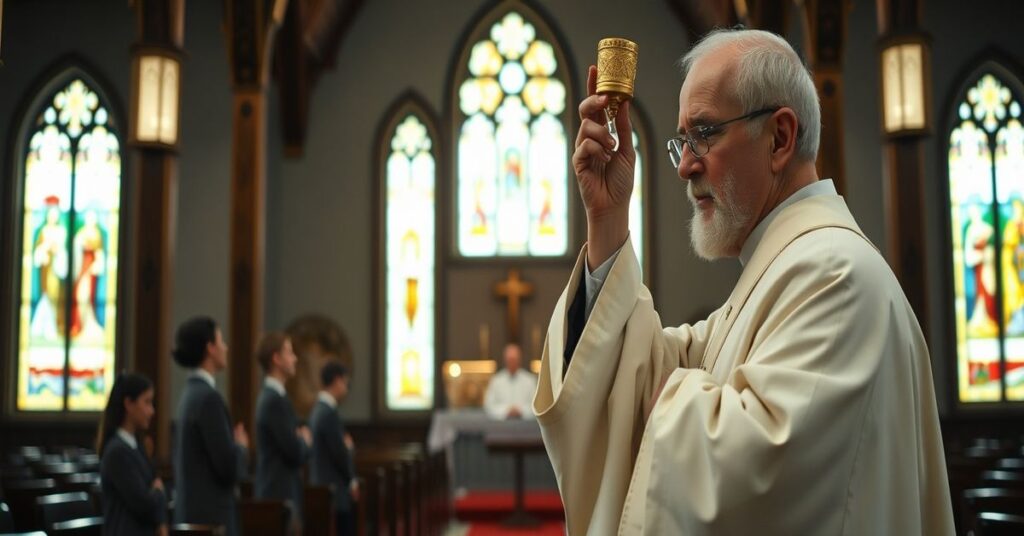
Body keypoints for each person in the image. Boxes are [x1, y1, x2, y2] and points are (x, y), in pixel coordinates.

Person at [532, 28, 954, 534]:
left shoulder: (835, 278)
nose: (686, 165)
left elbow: (761, 477)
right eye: (682, 141)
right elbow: (644, 374)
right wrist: (607, 219)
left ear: (779, 137)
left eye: (704, 134)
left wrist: (666, 402)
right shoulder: (785, 271)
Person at [172, 316, 249, 536]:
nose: (226, 347)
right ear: (210, 348)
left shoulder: (190, 393)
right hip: (212, 519)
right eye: (221, 341)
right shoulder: (208, 398)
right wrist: (241, 447)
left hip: (196, 515)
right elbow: (227, 468)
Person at [254, 332, 312, 534]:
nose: (295, 358)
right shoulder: (274, 400)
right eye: (289, 352)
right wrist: (305, 440)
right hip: (278, 494)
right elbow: (294, 451)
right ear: (276, 359)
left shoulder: (277, 398)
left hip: (281, 492)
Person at [97, 372, 167, 536]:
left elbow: (153, 486)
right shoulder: (117, 451)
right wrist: (159, 492)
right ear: (129, 404)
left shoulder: (137, 445)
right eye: (147, 402)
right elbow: (144, 504)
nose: (152, 411)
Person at [309, 362, 358, 536]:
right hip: (335, 491)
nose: (346, 387)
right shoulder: (327, 412)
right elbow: (339, 453)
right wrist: (349, 449)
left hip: (325, 488)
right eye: (345, 382)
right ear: (337, 381)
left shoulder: (318, 409)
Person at [484, 343, 537, 420]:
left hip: (525, 426)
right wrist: (506, 411)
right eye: (510, 360)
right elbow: (489, 405)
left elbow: (536, 406)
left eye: (514, 359)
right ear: (505, 360)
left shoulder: (530, 380)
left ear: (519, 360)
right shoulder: (496, 380)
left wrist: (520, 411)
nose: (512, 362)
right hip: (501, 426)